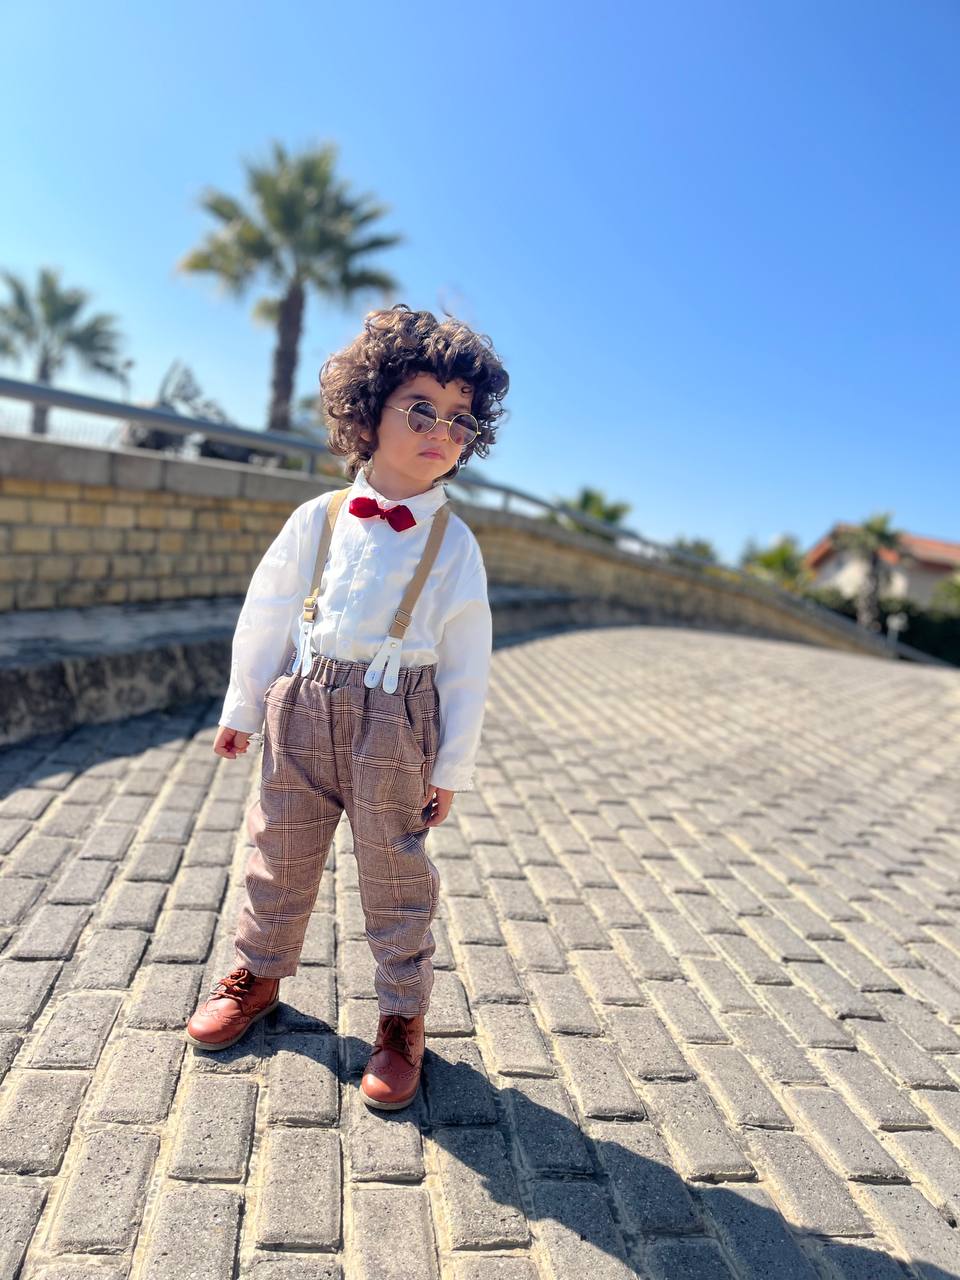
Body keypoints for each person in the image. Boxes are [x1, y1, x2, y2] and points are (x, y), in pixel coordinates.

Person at [185, 304, 509, 1110]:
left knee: (396, 872)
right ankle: (258, 973)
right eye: (422, 409)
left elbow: (468, 665)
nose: (442, 431)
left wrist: (451, 767)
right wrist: (242, 707)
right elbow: (267, 612)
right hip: (303, 702)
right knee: (280, 848)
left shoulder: (455, 545)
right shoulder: (319, 518)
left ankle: (402, 1016)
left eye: (461, 419)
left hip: (398, 722)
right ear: (369, 413)